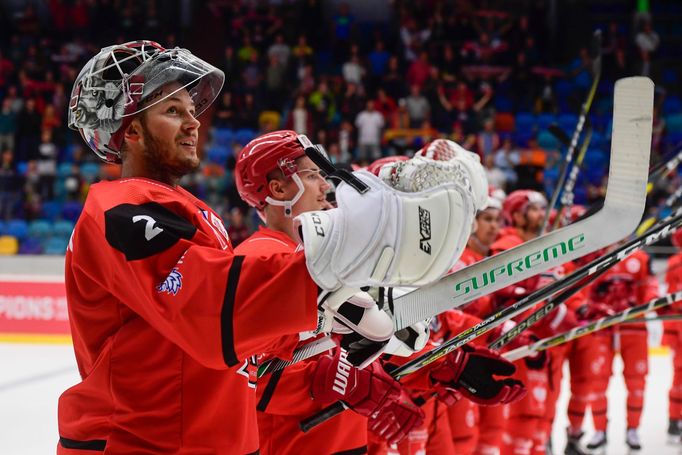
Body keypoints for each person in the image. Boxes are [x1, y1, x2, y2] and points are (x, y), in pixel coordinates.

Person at [59, 41, 473, 454]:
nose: (193, 123)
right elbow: (207, 307)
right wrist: (331, 269)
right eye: (172, 110)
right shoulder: (117, 211)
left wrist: (329, 321)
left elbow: (245, 344)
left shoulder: (181, 210)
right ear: (130, 130)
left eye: (191, 109)